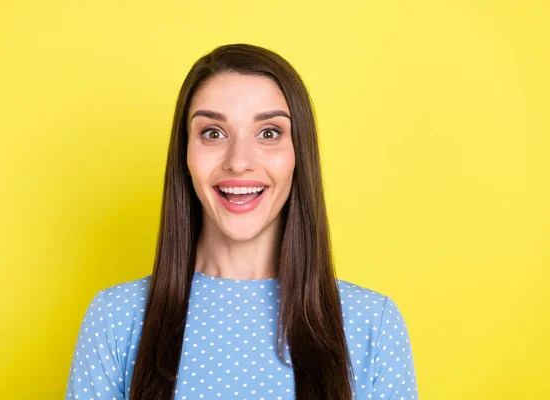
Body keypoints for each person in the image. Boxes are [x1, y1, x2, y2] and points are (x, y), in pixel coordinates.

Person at [65, 43, 418, 400]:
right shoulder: (116, 319)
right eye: (213, 133)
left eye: (269, 133)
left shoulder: (372, 324)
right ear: (184, 154)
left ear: (299, 154)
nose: (239, 162)